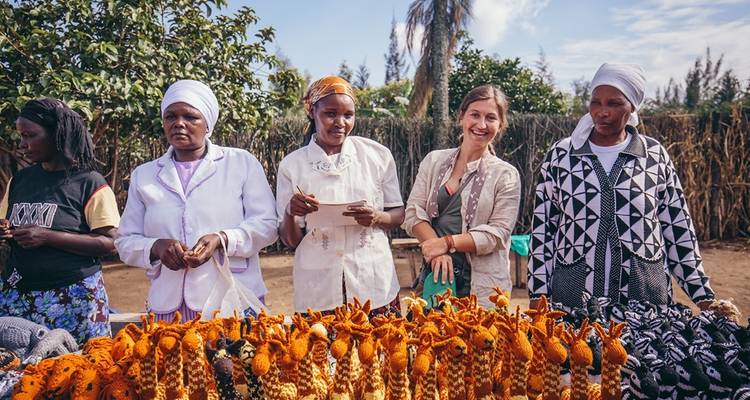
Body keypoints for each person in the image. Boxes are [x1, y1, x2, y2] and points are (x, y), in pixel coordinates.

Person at [528, 63, 715, 311]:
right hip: (574, 299)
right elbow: (543, 229)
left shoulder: (653, 156)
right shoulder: (563, 155)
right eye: (596, 102)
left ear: (632, 107)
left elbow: (677, 227)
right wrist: (538, 293)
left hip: (643, 298)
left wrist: (703, 295)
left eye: (614, 103)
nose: (602, 112)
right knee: (580, 351)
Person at [115, 80, 277, 322]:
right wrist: (156, 247)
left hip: (231, 302)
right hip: (168, 307)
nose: (179, 123)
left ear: (208, 124)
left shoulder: (241, 163)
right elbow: (125, 241)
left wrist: (222, 239)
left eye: (190, 117)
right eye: (170, 116)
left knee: (234, 360)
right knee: (173, 360)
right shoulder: (144, 175)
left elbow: (267, 224)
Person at [277, 76, 405, 316]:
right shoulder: (292, 166)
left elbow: (398, 214)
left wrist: (376, 217)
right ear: (313, 112)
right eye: (330, 113)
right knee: (322, 352)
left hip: (374, 279)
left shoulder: (377, 156)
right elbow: (290, 240)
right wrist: (290, 213)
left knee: (380, 351)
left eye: (348, 115)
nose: (340, 122)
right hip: (318, 285)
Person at [0, 98, 119, 344]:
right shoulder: (20, 180)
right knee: (19, 374)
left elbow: (110, 243)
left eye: (30, 135)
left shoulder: (89, 182)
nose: (22, 144)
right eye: (21, 136)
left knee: (76, 373)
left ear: (57, 134)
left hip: (73, 301)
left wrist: (47, 236)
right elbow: (6, 222)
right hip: (18, 296)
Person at [402, 85, 521, 308]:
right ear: (461, 117)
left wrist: (446, 243)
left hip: (483, 289)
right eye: (475, 115)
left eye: (491, 118)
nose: (481, 125)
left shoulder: (505, 175)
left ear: (501, 125)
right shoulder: (434, 162)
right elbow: (413, 213)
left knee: (481, 341)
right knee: (431, 339)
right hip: (436, 279)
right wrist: (436, 251)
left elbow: (497, 234)